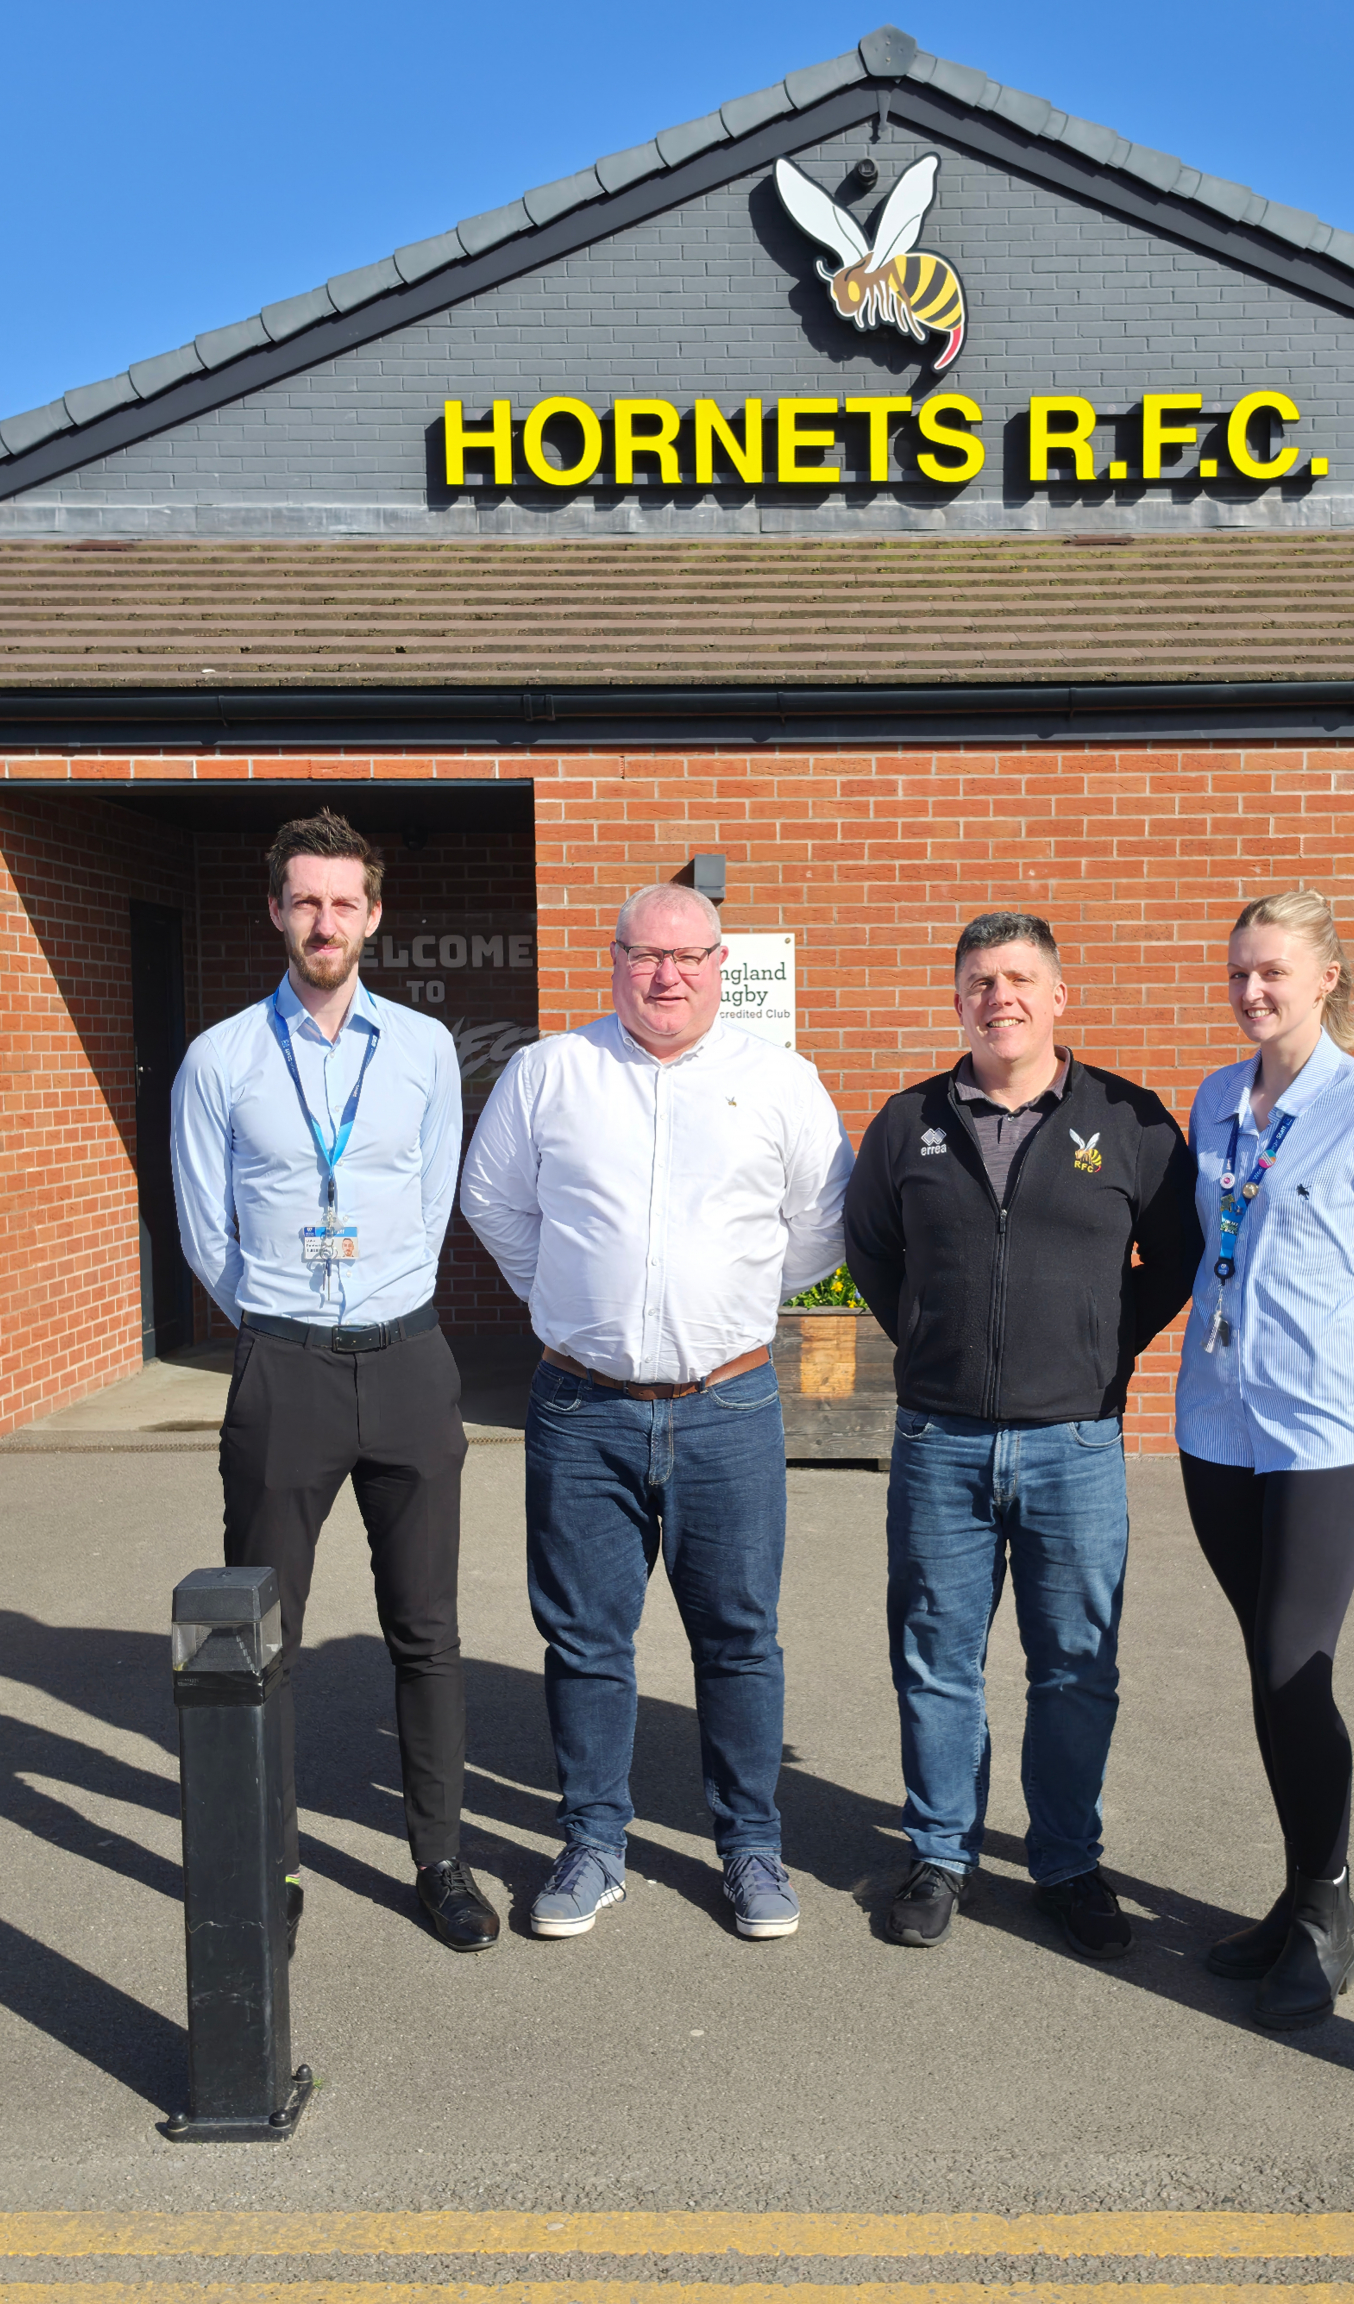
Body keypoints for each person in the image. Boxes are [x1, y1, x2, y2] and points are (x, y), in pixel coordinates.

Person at [459, 879, 852, 1942]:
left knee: (739, 1639)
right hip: (581, 1407)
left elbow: (821, 1219)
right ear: (616, 961)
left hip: (729, 1404)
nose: (665, 974)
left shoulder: (779, 1081)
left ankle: (751, 1848)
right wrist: (564, 1294)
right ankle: (592, 1841)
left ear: (721, 965)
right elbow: (490, 1196)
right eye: (645, 955)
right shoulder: (551, 1072)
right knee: (586, 1638)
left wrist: (733, 1301)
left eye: (688, 956)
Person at [170, 810, 498, 1955]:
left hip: (407, 1359)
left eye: (344, 902)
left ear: (372, 913)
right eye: (305, 901)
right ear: (275, 911)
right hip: (285, 1365)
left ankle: (440, 1856)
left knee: (428, 1630)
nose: (325, 921)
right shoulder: (219, 1059)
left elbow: (433, 1192)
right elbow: (205, 1230)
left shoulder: (416, 1049)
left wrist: (376, 1295)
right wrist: (286, 1314)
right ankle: (275, 1860)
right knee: (266, 1634)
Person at [844, 910, 1200, 1959]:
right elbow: (871, 1250)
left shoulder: (1129, 1121)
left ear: (1056, 996)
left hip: (1075, 1446)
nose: (998, 997)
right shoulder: (907, 1122)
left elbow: (1172, 1257)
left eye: (1018, 978)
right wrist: (928, 1335)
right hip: (939, 1442)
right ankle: (939, 1853)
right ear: (957, 1001)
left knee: (1074, 1669)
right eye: (978, 982)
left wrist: (1103, 1346)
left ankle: (1065, 1862)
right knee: (936, 1660)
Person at [1175, 889, 1354, 2030]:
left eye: (1273, 972)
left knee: (1298, 1664)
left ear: (1326, 979)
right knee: (1265, 1666)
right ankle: (1296, 1889)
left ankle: (1329, 1905)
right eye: (1239, 971)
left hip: (1322, 1433)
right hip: (1217, 1424)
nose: (1252, 990)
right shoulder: (1215, 1099)